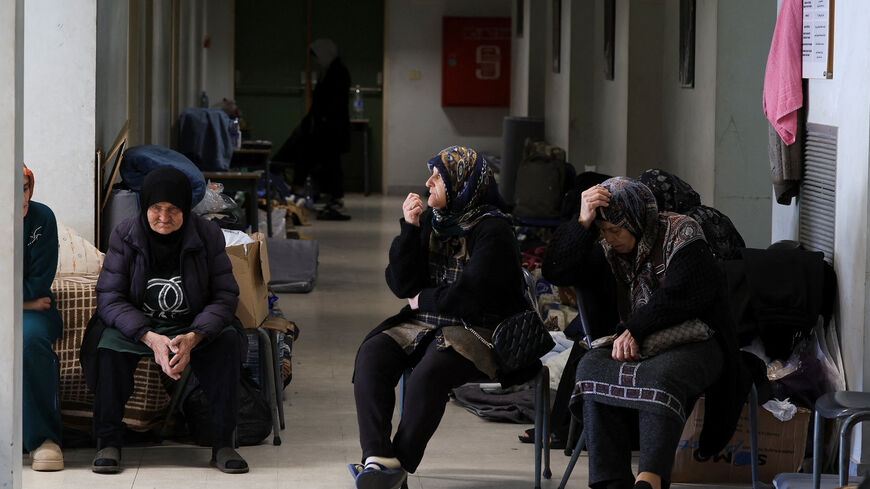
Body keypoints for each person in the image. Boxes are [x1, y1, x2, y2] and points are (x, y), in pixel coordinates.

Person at [350, 146, 526, 489]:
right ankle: (378, 460)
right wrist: (410, 228)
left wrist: (422, 299)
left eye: (439, 176)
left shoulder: (493, 231)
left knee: (429, 373)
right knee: (372, 355)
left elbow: (470, 296)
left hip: (479, 328)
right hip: (425, 323)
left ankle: (394, 468)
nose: (429, 182)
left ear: (462, 184)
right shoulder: (434, 220)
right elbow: (401, 284)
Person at [568, 177, 750, 489]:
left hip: (699, 339)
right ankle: (610, 480)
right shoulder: (609, 248)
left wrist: (635, 329)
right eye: (603, 231)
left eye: (615, 230)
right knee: (592, 368)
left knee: (659, 377)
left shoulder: (682, 231)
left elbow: (685, 294)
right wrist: (582, 222)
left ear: (636, 221)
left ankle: (650, 479)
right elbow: (559, 269)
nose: (609, 238)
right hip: (641, 340)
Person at [87, 167, 248, 474]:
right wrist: (149, 336)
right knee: (108, 347)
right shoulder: (125, 234)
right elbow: (109, 297)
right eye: (156, 208)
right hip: (140, 326)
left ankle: (223, 443)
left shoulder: (207, 234)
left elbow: (225, 295)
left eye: (174, 209)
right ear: (145, 206)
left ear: (186, 209)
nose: (164, 217)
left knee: (226, 341)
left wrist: (195, 336)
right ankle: (108, 440)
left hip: (193, 324)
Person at [273, 38, 351, 221]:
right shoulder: (330, 71)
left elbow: (331, 103)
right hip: (324, 128)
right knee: (316, 158)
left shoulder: (337, 72)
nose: (316, 61)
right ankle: (304, 191)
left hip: (330, 129)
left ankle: (320, 195)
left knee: (325, 161)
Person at [22, 164, 65, 471]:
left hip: (37, 315)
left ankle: (43, 440)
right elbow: (28, 295)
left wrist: (25, 303)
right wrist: (23, 303)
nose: (19, 197)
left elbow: (39, 282)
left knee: (30, 340)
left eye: (24, 188)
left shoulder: (42, 217)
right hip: (25, 306)